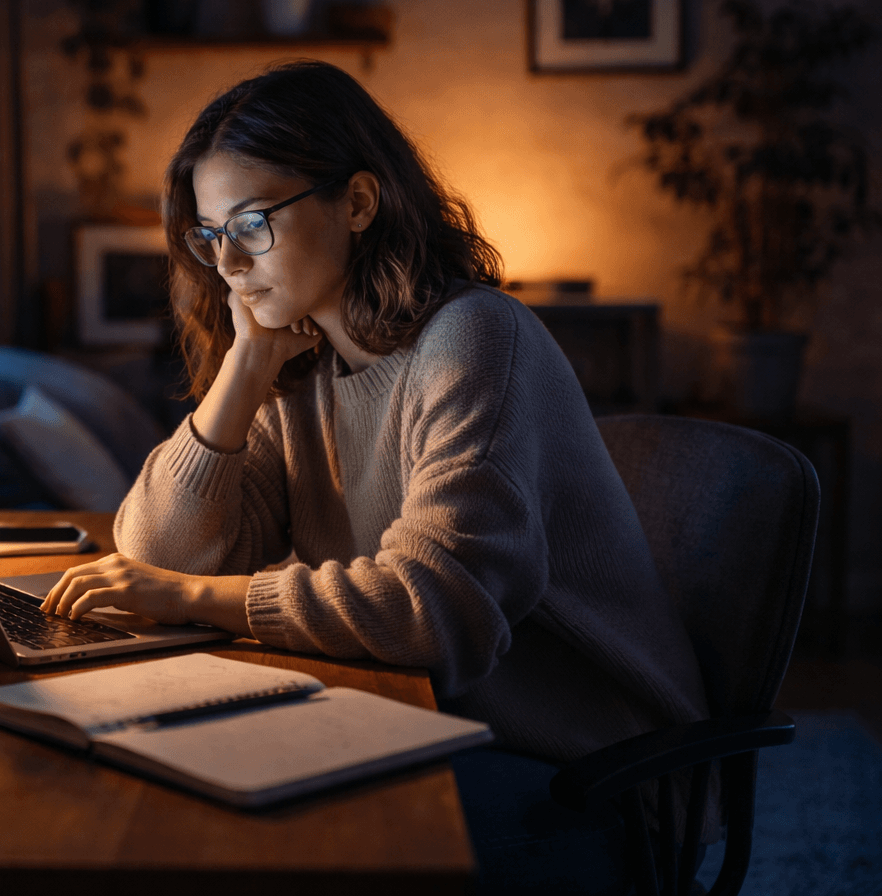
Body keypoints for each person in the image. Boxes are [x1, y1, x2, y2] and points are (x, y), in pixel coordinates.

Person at [41, 61, 712, 886]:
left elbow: (435, 609)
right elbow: (158, 554)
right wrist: (245, 365)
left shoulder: (474, 339)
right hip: (434, 720)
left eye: (251, 224)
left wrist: (191, 599)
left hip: (586, 773)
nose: (229, 264)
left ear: (358, 203)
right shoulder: (301, 367)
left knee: (283, 841)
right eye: (210, 236)